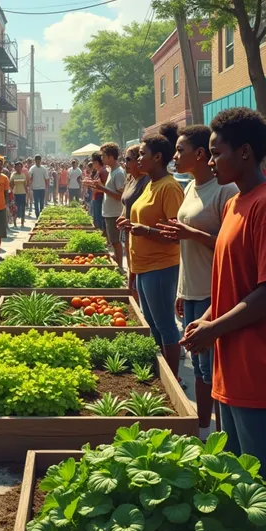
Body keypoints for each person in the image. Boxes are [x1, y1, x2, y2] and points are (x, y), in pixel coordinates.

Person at [182, 108, 266, 494]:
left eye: (217, 152)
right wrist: (206, 317)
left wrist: (214, 328)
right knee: (238, 480)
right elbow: (233, 283)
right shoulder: (235, 204)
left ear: (245, 153)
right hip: (229, 367)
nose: (211, 160)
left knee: (263, 485)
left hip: (259, 371)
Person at [157, 126, 237, 440]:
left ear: (200, 154)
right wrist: (181, 288)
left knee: (211, 369)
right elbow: (185, 244)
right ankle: (203, 431)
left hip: (213, 293)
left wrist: (191, 234)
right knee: (201, 368)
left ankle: (219, 436)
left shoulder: (224, 191)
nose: (175, 157)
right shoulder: (191, 187)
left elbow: (231, 244)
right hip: (191, 289)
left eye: (180, 151)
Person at [118, 124, 184, 378]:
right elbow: (142, 220)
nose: (139, 158)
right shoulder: (149, 184)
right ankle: (163, 375)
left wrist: (145, 230)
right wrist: (132, 225)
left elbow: (177, 234)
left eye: (143, 154)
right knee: (154, 324)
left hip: (161, 266)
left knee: (165, 325)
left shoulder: (169, 187)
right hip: (143, 266)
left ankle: (173, 379)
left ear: (158, 157)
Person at [120, 145, 150, 298]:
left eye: (128, 159)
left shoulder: (146, 181)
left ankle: (139, 306)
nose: (125, 163)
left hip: (140, 234)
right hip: (128, 231)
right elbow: (127, 203)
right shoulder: (131, 178)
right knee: (132, 269)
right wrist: (123, 215)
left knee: (137, 273)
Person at [93, 143, 126, 269]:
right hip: (109, 212)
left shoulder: (119, 173)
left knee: (116, 242)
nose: (102, 159)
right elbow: (109, 191)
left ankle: (120, 267)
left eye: (104, 156)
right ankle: (118, 264)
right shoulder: (112, 171)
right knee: (113, 241)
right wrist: (97, 187)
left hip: (115, 213)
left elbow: (120, 196)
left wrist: (102, 188)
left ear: (111, 157)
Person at [90, 152, 108, 232]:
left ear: (97, 162)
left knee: (100, 220)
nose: (92, 164)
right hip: (96, 197)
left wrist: (92, 186)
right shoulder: (99, 171)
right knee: (97, 219)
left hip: (99, 197)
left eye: (93, 162)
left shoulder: (103, 171)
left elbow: (104, 188)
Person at [10, 160, 28, 227]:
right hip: (15, 194)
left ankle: (22, 223)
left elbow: (25, 185)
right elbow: (10, 185)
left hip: (22, 194)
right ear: (15, 168)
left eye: (20, 167)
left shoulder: (23, 175)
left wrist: (27, 194)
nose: (19, 168)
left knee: (23, 208)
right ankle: (14, 224)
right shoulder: (13, 175)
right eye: (17, 167)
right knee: (15, 209)